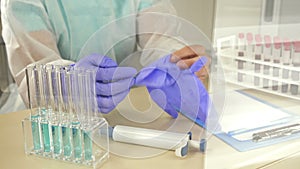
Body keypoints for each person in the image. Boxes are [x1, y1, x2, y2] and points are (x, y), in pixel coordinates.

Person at [1, 0, 209, 117]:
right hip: (47, 121)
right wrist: (72, 83)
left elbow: (159, 38)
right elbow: (36, 71)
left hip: (117, 114)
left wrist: (175, 62)